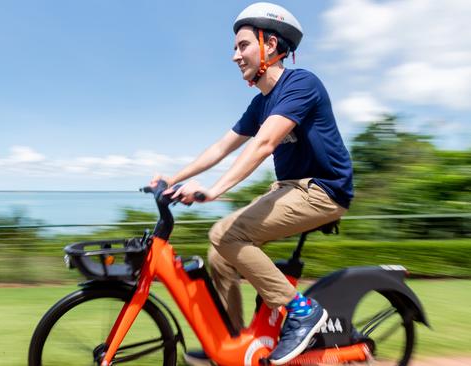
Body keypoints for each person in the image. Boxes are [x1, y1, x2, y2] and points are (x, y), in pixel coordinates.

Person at [151, 2, 353, 365]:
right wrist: (174, 176)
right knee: (219, 251)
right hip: (290, 188)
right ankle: (232, 345)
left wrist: (214, 190)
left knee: (228, 236)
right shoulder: (260, 103)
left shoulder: (301, 83)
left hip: (323, 189)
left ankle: (301, 311)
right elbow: (221, 146)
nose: (234, 56)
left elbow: (264, 144)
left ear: (270, 45)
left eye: (242, 45)